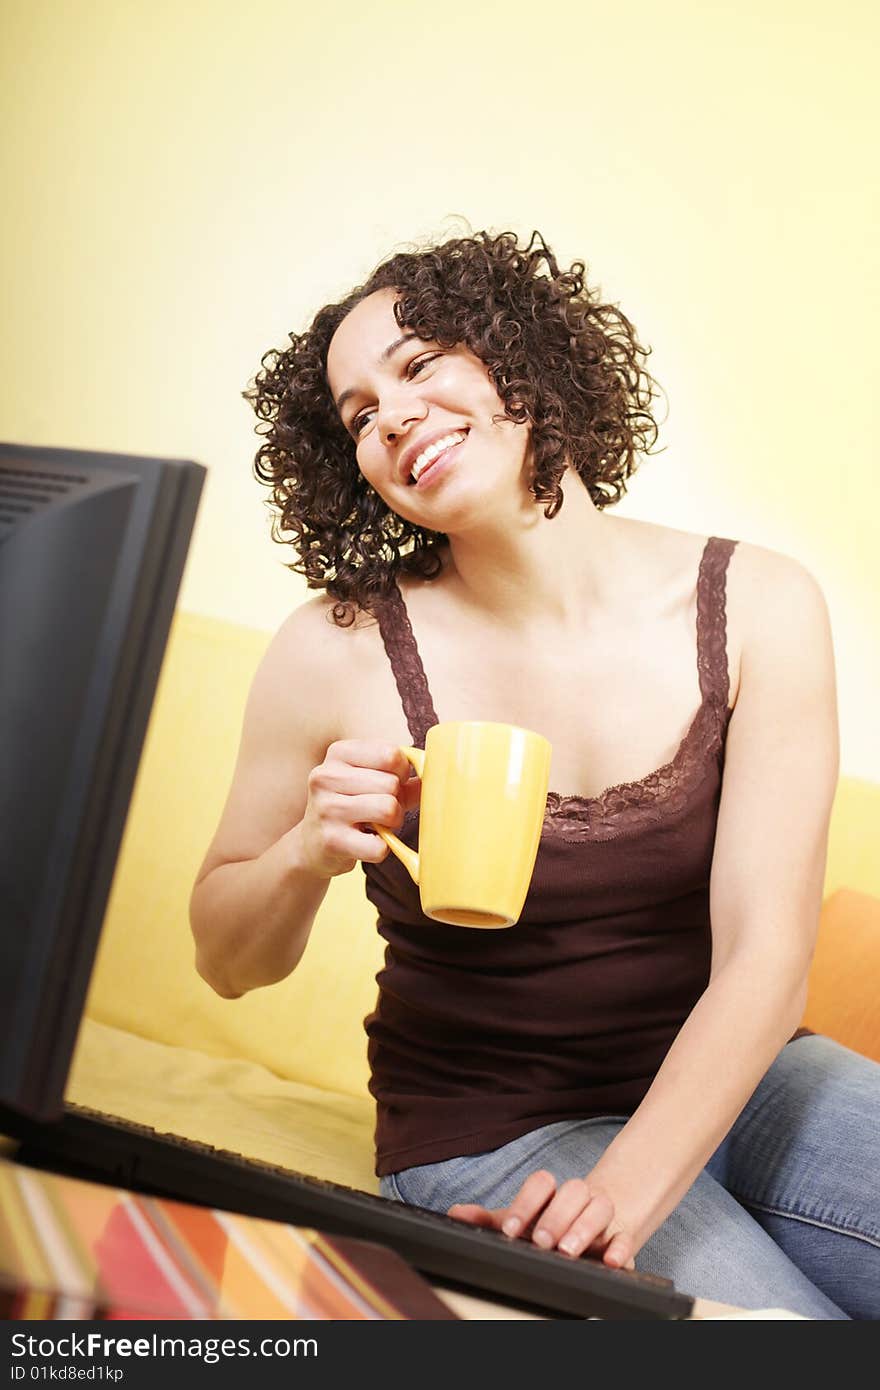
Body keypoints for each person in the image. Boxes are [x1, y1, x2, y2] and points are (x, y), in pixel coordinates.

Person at [189, 229, 879, 1319]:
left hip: (746, 1078)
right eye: (358, 416)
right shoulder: (334, 647)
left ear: (521, 352)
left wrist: (625, 1191)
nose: (392, 417)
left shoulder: (759, 605)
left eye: (417, 366)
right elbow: (227, 959)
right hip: (494, 1129)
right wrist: (304, 852)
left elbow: (766, 953)